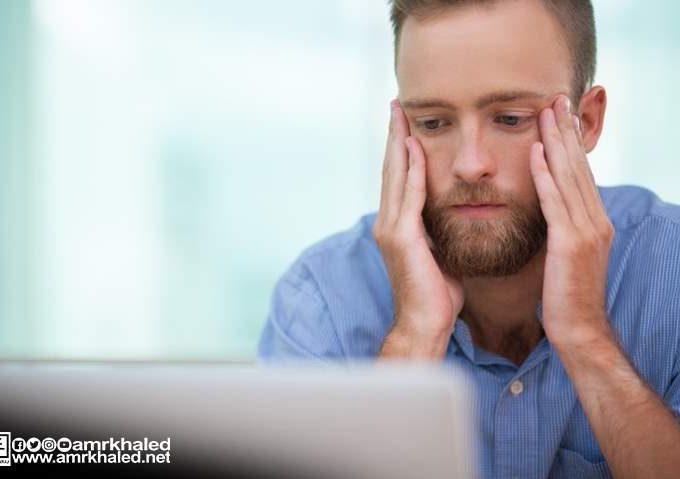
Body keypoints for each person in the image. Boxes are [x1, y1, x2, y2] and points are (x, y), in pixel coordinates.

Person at [258, 0, 680, 477]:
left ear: (587, 121)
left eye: (511, 118)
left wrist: (585, 335)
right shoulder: (320, 300)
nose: (470, 164)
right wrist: (415, 336)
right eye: (433, 123)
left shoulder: (672, 270)